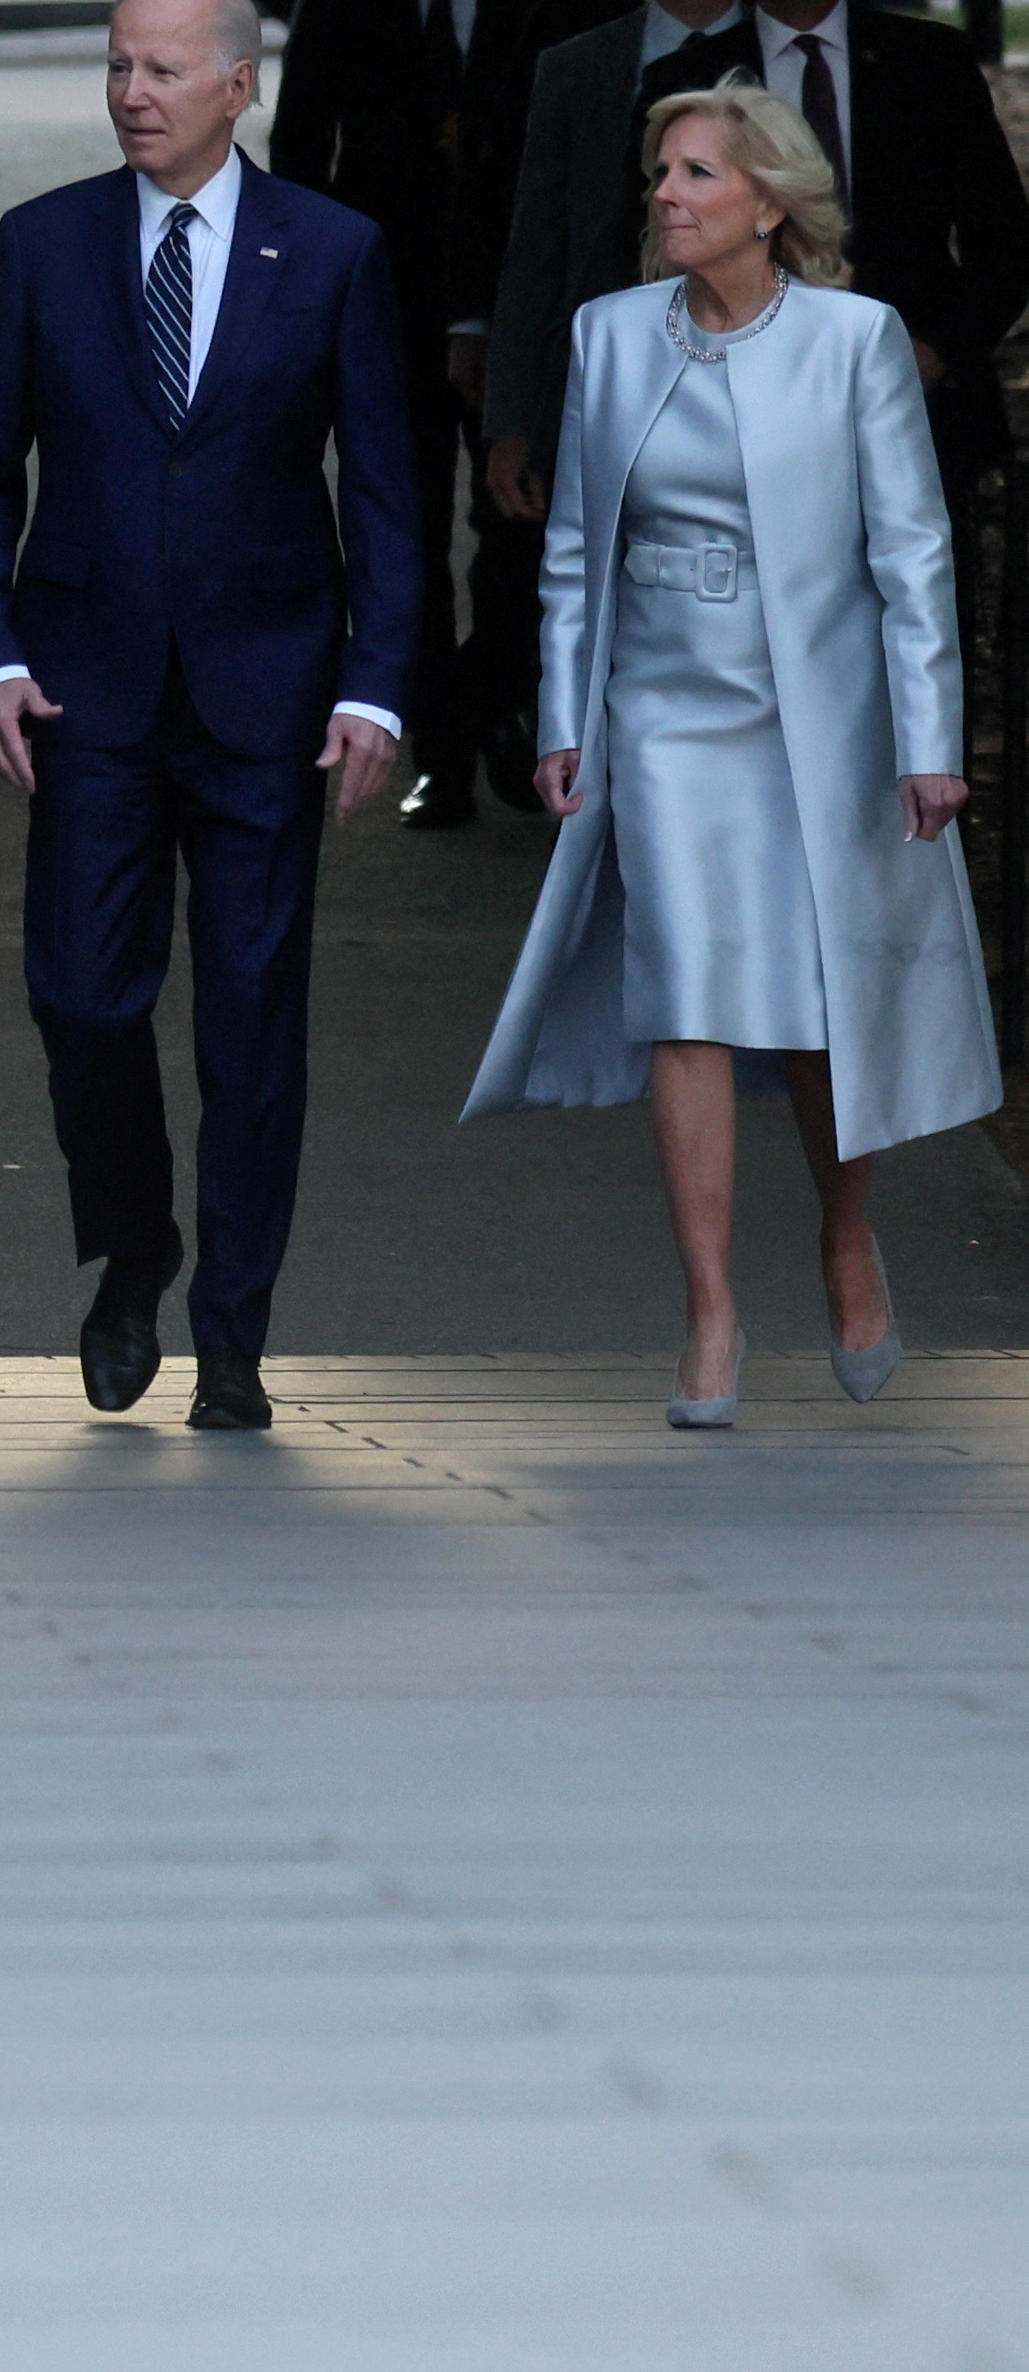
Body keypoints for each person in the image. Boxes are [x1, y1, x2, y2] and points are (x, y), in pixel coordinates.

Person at [466, 86, 990, 1423]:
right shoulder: (608, 336)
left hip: (819, 715)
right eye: (658, 172)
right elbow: (573, 550)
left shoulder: (852, 340)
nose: (665, 195)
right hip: (664, 710)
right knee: (685, 997)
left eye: (696, 172)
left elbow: (911, 556)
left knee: (822, 1007)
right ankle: (707, 1310)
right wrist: (563, 722)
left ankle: (841, 1232)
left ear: (768, 203)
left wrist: (928, 736)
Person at [0, 0, 421, 1434]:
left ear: (237, 84)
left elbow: (389, 499)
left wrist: (376, 687)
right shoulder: (42, 244)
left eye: (159, 71)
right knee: (81, 999)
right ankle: (133, 1243)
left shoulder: (331, 252)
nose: (129, 95)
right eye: (113, 69)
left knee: (250, 1023)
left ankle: (231, 1329)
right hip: (82, 690)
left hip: (267, 694)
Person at [269, 0, 589, 827]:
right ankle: (437, 739)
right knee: (395, 526)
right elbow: (301, 147)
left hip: (512, 292)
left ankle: (501, 703)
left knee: (517, 522)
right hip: (385, 295)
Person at [702, 0, 1029, 504]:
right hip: (744, 429)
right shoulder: (693, 85)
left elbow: (1006, 243)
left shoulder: (931, 65)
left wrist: (934, 354)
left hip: (920, 413)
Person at [482, 0, 758, 536]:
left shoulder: (790, 58)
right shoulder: (576, 68)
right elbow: (536, 245)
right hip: (615, 384)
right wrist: (511, 418)